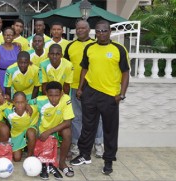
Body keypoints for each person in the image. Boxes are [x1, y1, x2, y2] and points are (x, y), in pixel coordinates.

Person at [70, 20, 130, 176]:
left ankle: (108, 160)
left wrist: (121, 94)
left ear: (110, 32)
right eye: (98, 31)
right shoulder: (90, 48)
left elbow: (125, 73)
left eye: (104, 31)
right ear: (94, 33)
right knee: (87, 125)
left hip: (110, 95)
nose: (101, 34)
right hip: (90, 93)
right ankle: (84, 154)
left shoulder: (119, 49)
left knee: (110, 129)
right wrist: (81, 88)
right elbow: (85, 69)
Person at [63, 20, 103, 158]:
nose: (80, 30)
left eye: (83, 28)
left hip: (93, 87)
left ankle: (98, 144)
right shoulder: (70, 46)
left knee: (95, 117)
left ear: (89, 29)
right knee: (76, 118)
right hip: (74, 87)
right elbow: (65, 65)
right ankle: (76, 144)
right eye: (78, 28)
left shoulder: (95, 45)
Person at [32, 81, 75, 178]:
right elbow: (26, 103)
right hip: (42, 130)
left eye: (57, 95)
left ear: (62, 93)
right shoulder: (39, 100)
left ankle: (62, 163)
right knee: (31, 132)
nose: (54, 99)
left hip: (56, 129)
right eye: (50, 95)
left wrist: (49, 132)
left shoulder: (66, 99)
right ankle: (34, 161)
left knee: (67, 132)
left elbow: (68, 122)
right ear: (46, 93)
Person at [4, 91, 38, 162]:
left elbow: (43, 101)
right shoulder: (8, 111)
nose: (20, 105)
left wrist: (28, 105)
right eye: (17, 102)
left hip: (29, 130)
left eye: (22, 102)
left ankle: (29, 157)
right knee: (16, 158)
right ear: (13, 102)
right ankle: (21, 145)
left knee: (31, 133)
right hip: (17, 133)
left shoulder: (33, 109)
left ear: (26, 102)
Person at [0, 27, 20, 93]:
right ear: (3, 36)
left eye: (11, 35)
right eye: (6, 35)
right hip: (2, 77)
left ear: (13, 36)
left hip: (15, 77)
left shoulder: (18, 48)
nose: (8, 36)